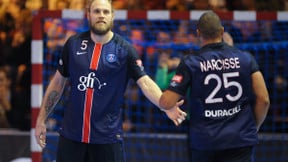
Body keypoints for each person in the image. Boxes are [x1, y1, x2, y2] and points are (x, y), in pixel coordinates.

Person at [34, 0, 187, 162]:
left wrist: (165, 105)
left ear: (112, 16)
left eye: (106, 12)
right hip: (71, 137)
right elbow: (58, 82)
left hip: (107, 139)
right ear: (88, 15)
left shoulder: (124, 50)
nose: (101, 15)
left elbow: (145, 82)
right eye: (97, 11)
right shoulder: (73, 44)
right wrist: (41, 118)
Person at [159, 11, 270, 162]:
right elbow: (263, 99)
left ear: (198, 33)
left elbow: (166, 102)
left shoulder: (191, 62)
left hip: (205, 141)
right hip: (240, 139)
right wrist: (252, 128)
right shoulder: (246, 58)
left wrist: (169, 106)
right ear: (222, 31)